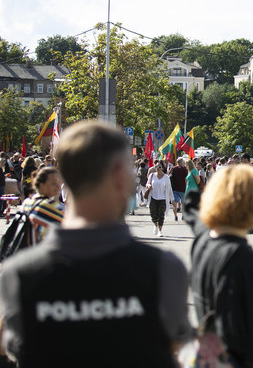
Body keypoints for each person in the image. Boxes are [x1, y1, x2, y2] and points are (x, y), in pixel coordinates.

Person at [0, 121, 191, 366]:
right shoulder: (163, 270)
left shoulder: (18, 276)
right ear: (121, 177)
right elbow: (180, 350)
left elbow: (11, 349)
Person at [186, 164, 253, 368]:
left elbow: (191, 204)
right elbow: (234, 332)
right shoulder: (242, 261)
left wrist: (221, 188)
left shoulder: (205, 241)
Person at [146, 163, 173, 237]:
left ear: (162, 168)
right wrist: (148, 186)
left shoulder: (166, 177)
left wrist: (172, 199)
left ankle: (160, 231)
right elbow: (147, 183)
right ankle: (155, 225)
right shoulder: (152, 176)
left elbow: (169, 189)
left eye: (159, 167)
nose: (158, 168)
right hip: (153, 197)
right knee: (153, 214)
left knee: (161, 215)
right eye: (156, 167)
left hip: (163, 199)